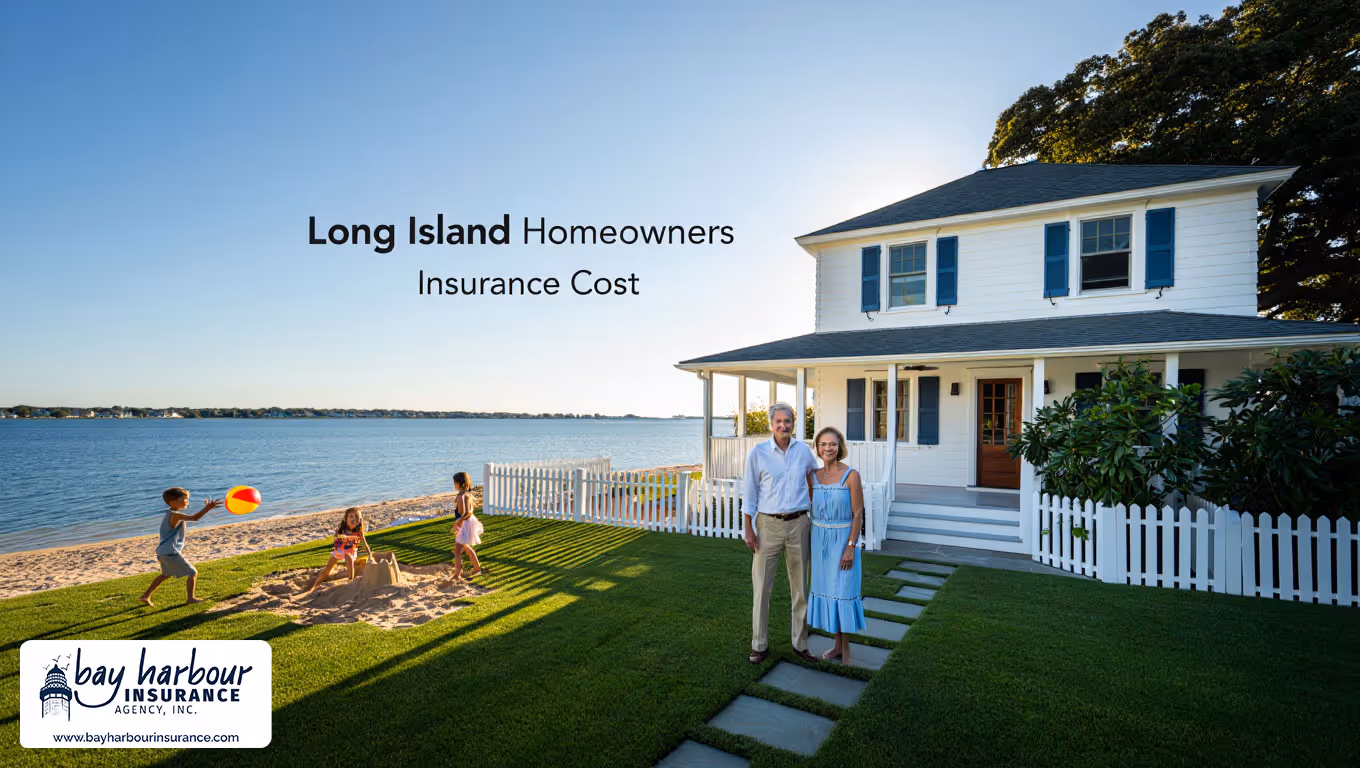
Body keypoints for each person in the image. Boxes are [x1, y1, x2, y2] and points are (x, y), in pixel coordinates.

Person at [741, 402, 819, 664]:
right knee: (762, 588)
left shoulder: (804, 452)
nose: (783, 425)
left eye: (788, 421)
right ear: (771, 424)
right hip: (768, 525)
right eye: (779, 421)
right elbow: (749, 493)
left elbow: (814, 480)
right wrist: (748, 528)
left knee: (800, 588)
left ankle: (800, 642)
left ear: (793, 424)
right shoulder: (759, 453)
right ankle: (759, 644)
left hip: (799, 524)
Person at [806, 426, 866, 665]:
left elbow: (858, 513)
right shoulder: (813, 477)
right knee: (830, 593)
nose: (828, 448)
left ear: (840, 446)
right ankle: (836, 646)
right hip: (820, 542)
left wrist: (851, 546)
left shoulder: (851, 475)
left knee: (843, 592)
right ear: (817, 448)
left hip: (843, 541)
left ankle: (847, 650)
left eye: (832, 444)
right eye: (823, 444)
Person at [139, 487, 220, 607]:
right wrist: (207, 508)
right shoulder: (175, 515)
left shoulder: (170, 514)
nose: (187, 501)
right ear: (173, 502)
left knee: (165, 575)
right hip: (170, 552)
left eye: (188, 499)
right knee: (192, 572)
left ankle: (145, 596)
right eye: (185, 499)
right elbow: (195, 518)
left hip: (163, 551)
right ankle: (191, 599)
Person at [306, 507, 374, 593]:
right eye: (351, 517)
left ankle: (351, 581)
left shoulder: (359, 532)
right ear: (346, 519)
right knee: (327, 569)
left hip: (351, 552)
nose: (354, 519)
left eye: (357, 517)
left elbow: (365, 545)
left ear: (360, 520)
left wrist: (370, 556)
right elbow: (336, 538)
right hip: (340, 550)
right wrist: (340, 535)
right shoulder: (342, 530)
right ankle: (314, 586)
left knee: (348, 556)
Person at [450, 471, 485, 579]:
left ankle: (457, 574)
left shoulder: (462, 496)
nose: (454, 485)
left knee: (457, 550)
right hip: (467, 522)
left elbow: (466, 512)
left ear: (459, 483)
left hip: (464, 523)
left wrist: (459, 522)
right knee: (466, 548)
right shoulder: (467, 495)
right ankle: (476, 568)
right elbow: (470, 511)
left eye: (454, 483)